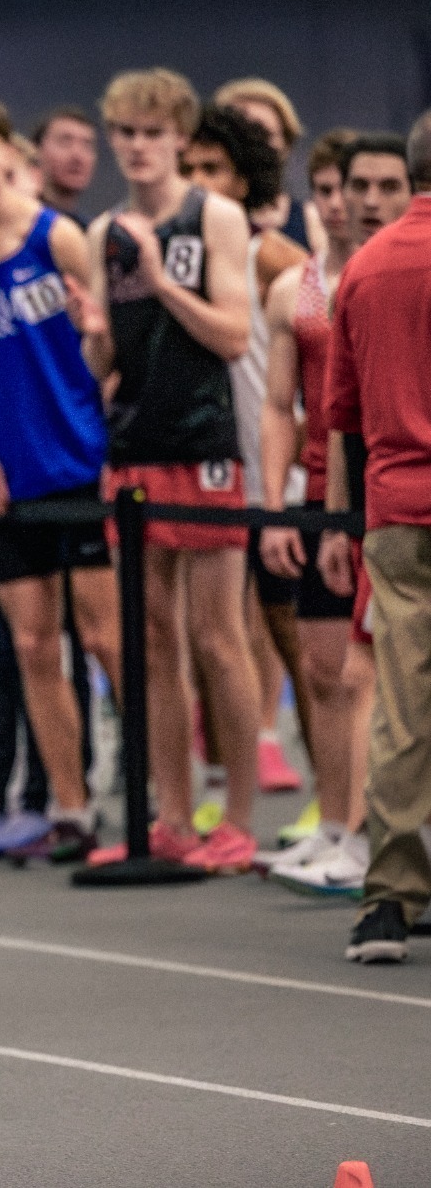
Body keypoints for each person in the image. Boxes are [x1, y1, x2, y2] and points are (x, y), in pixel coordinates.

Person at [0, 92, 122, 864]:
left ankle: (158, 797)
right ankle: (71, 806)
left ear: (9, 154)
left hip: (80, 462)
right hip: (8, 475)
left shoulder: (57, 235)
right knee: (35, 645)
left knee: (106, 639)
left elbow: (103, 347)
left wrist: (97, 342)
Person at [83, 69, 262, 873]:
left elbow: (233, 334)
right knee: (151, 640)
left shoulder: (213, 215)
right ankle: (174, 817)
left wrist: (160, 281)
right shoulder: (103, 231)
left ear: (180, 139)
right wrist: (92, 335)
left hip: (204, 441)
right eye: (125, 132)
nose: (138, 146)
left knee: (218, 637)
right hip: (133, 444)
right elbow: (103, 362)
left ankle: (241, 819)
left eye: (152, 132)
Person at [256, 129, 377, 892]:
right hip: (319, 496)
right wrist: (274, 507)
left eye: (354, 188)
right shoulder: (292, 289)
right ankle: (335, 825)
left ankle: (371, 834)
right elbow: (278, 406)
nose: (341, 204)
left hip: (382, 493)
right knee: (322, 670)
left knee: (371, 676)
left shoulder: (389, 272)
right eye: (328, 190)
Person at [323, 114, 431, 963]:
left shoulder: (362, 267)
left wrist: (342, 519)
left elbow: (343, 413)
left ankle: (389, 900)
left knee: (401, 709)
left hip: (395, 510)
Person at [182, 105, 313, 805]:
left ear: (245, 178)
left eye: (215, 169)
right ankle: (223, 794)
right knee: (211, 641)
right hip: (209, 469)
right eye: (191, 170)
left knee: (301, 647)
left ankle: (335, 802)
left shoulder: (275, 256)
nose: (200, 183)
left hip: (277, 482)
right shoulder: (180, 256)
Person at [213, 77, 322, 250]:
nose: (251, 145)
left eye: (263, 134)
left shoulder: (312, 219)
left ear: (286, 144)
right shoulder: (197, 214)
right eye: (240, 134)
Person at [32, 107, 99, 222]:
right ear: (35, 150)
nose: (77, 155)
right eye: (65, 142)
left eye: (87, 145)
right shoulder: (17, 221)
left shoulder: (92, 230)